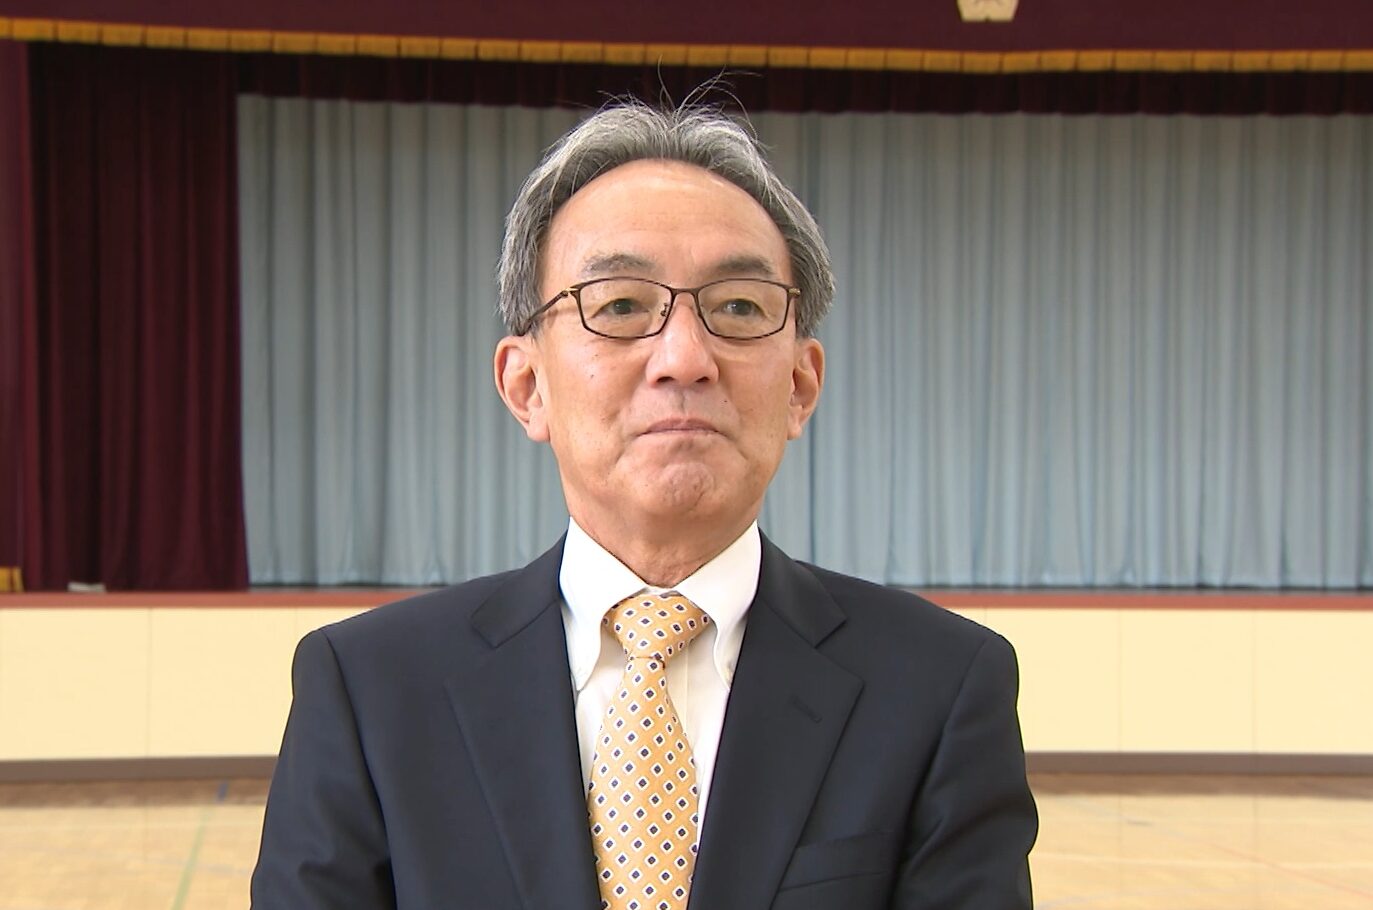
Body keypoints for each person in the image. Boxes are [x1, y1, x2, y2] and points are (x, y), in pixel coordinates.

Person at [251, 99, 1037, 910]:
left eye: (738, 307)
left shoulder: (940, 688)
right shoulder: (371, 689)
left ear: (800, 386)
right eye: (620, 305)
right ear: (526, 386)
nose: (684, 358)